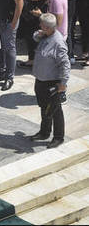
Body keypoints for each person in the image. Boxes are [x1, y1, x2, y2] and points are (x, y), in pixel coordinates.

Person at [30, 13, 70, 149]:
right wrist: (39, 35)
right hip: (41, 80)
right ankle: (44, 132)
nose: (39, 26)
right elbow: (35, 37)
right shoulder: (45, 35)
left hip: (52, 82)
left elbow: (65, 65)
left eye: (41, 25)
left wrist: (63, 84)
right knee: (44, 108)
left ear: (48, 27)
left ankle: (58, 137)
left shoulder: (58, 43)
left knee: (55, 110)